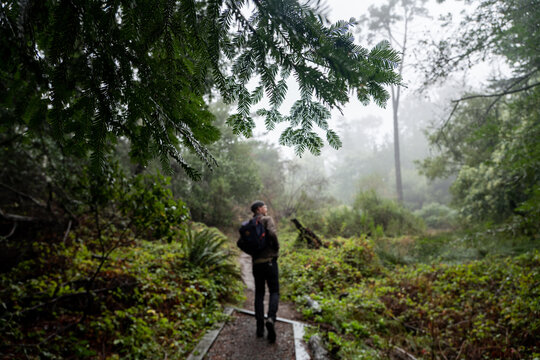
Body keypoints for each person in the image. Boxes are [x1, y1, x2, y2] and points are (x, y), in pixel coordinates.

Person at [249, 200, 279, 343]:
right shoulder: (267, 219)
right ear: (259, 209)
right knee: (274, 291)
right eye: (265, 206)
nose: (266, 208)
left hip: (256, 264)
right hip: (270, 262)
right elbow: (272, 234)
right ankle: (271, 318)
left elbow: (240, 243)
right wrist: (276, 248)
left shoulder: (249, 223)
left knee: (259, 294)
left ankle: (259, 327)